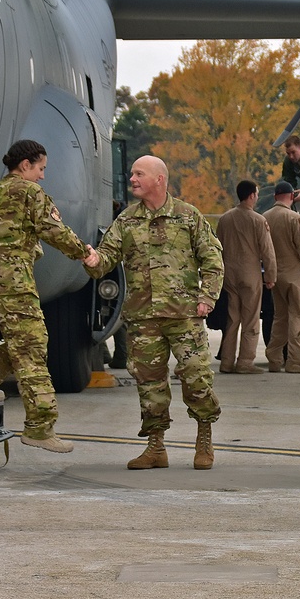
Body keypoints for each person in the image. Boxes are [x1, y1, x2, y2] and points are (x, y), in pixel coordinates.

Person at [0, 139, 97, 453]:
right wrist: (83, 252)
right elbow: (54, 230)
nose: (43, 176)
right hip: (15, 281)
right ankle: (40, 427)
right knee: (32, 347)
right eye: (41, 168)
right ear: (26, 164)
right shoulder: (31, 194)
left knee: (30, 341)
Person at [85, 155, 224, 471]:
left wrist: (207, 298)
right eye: (132, 173)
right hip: (143, 318)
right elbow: (106, 258)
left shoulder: (189, 217)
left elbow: (213, 260)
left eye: (139, 173)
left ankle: (204, 439)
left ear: (159, 179)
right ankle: (155, 447)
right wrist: (93, 260)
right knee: (149, 384)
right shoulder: (126, 221)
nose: (132, 178)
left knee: (196, 378)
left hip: (185, 316)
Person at [216, 180, 277, 375]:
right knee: (250, 319)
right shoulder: (258, 220)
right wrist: (270, 275)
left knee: (232, 319)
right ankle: (245, 361)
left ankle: (226, 361)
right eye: (256, 194)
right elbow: (267, 252)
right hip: (250, 274)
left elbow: (217, 247)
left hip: (229, 274)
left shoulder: (225, 219)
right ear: (251, 196)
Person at [263, 181, 300, 374]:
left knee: (280, 317)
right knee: (299, 315)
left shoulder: (265, 217)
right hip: (294, 274)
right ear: (292, 196)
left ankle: (274, 358)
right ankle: (296, 360)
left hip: (275, 273)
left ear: (275, 196)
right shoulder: (295, 218)